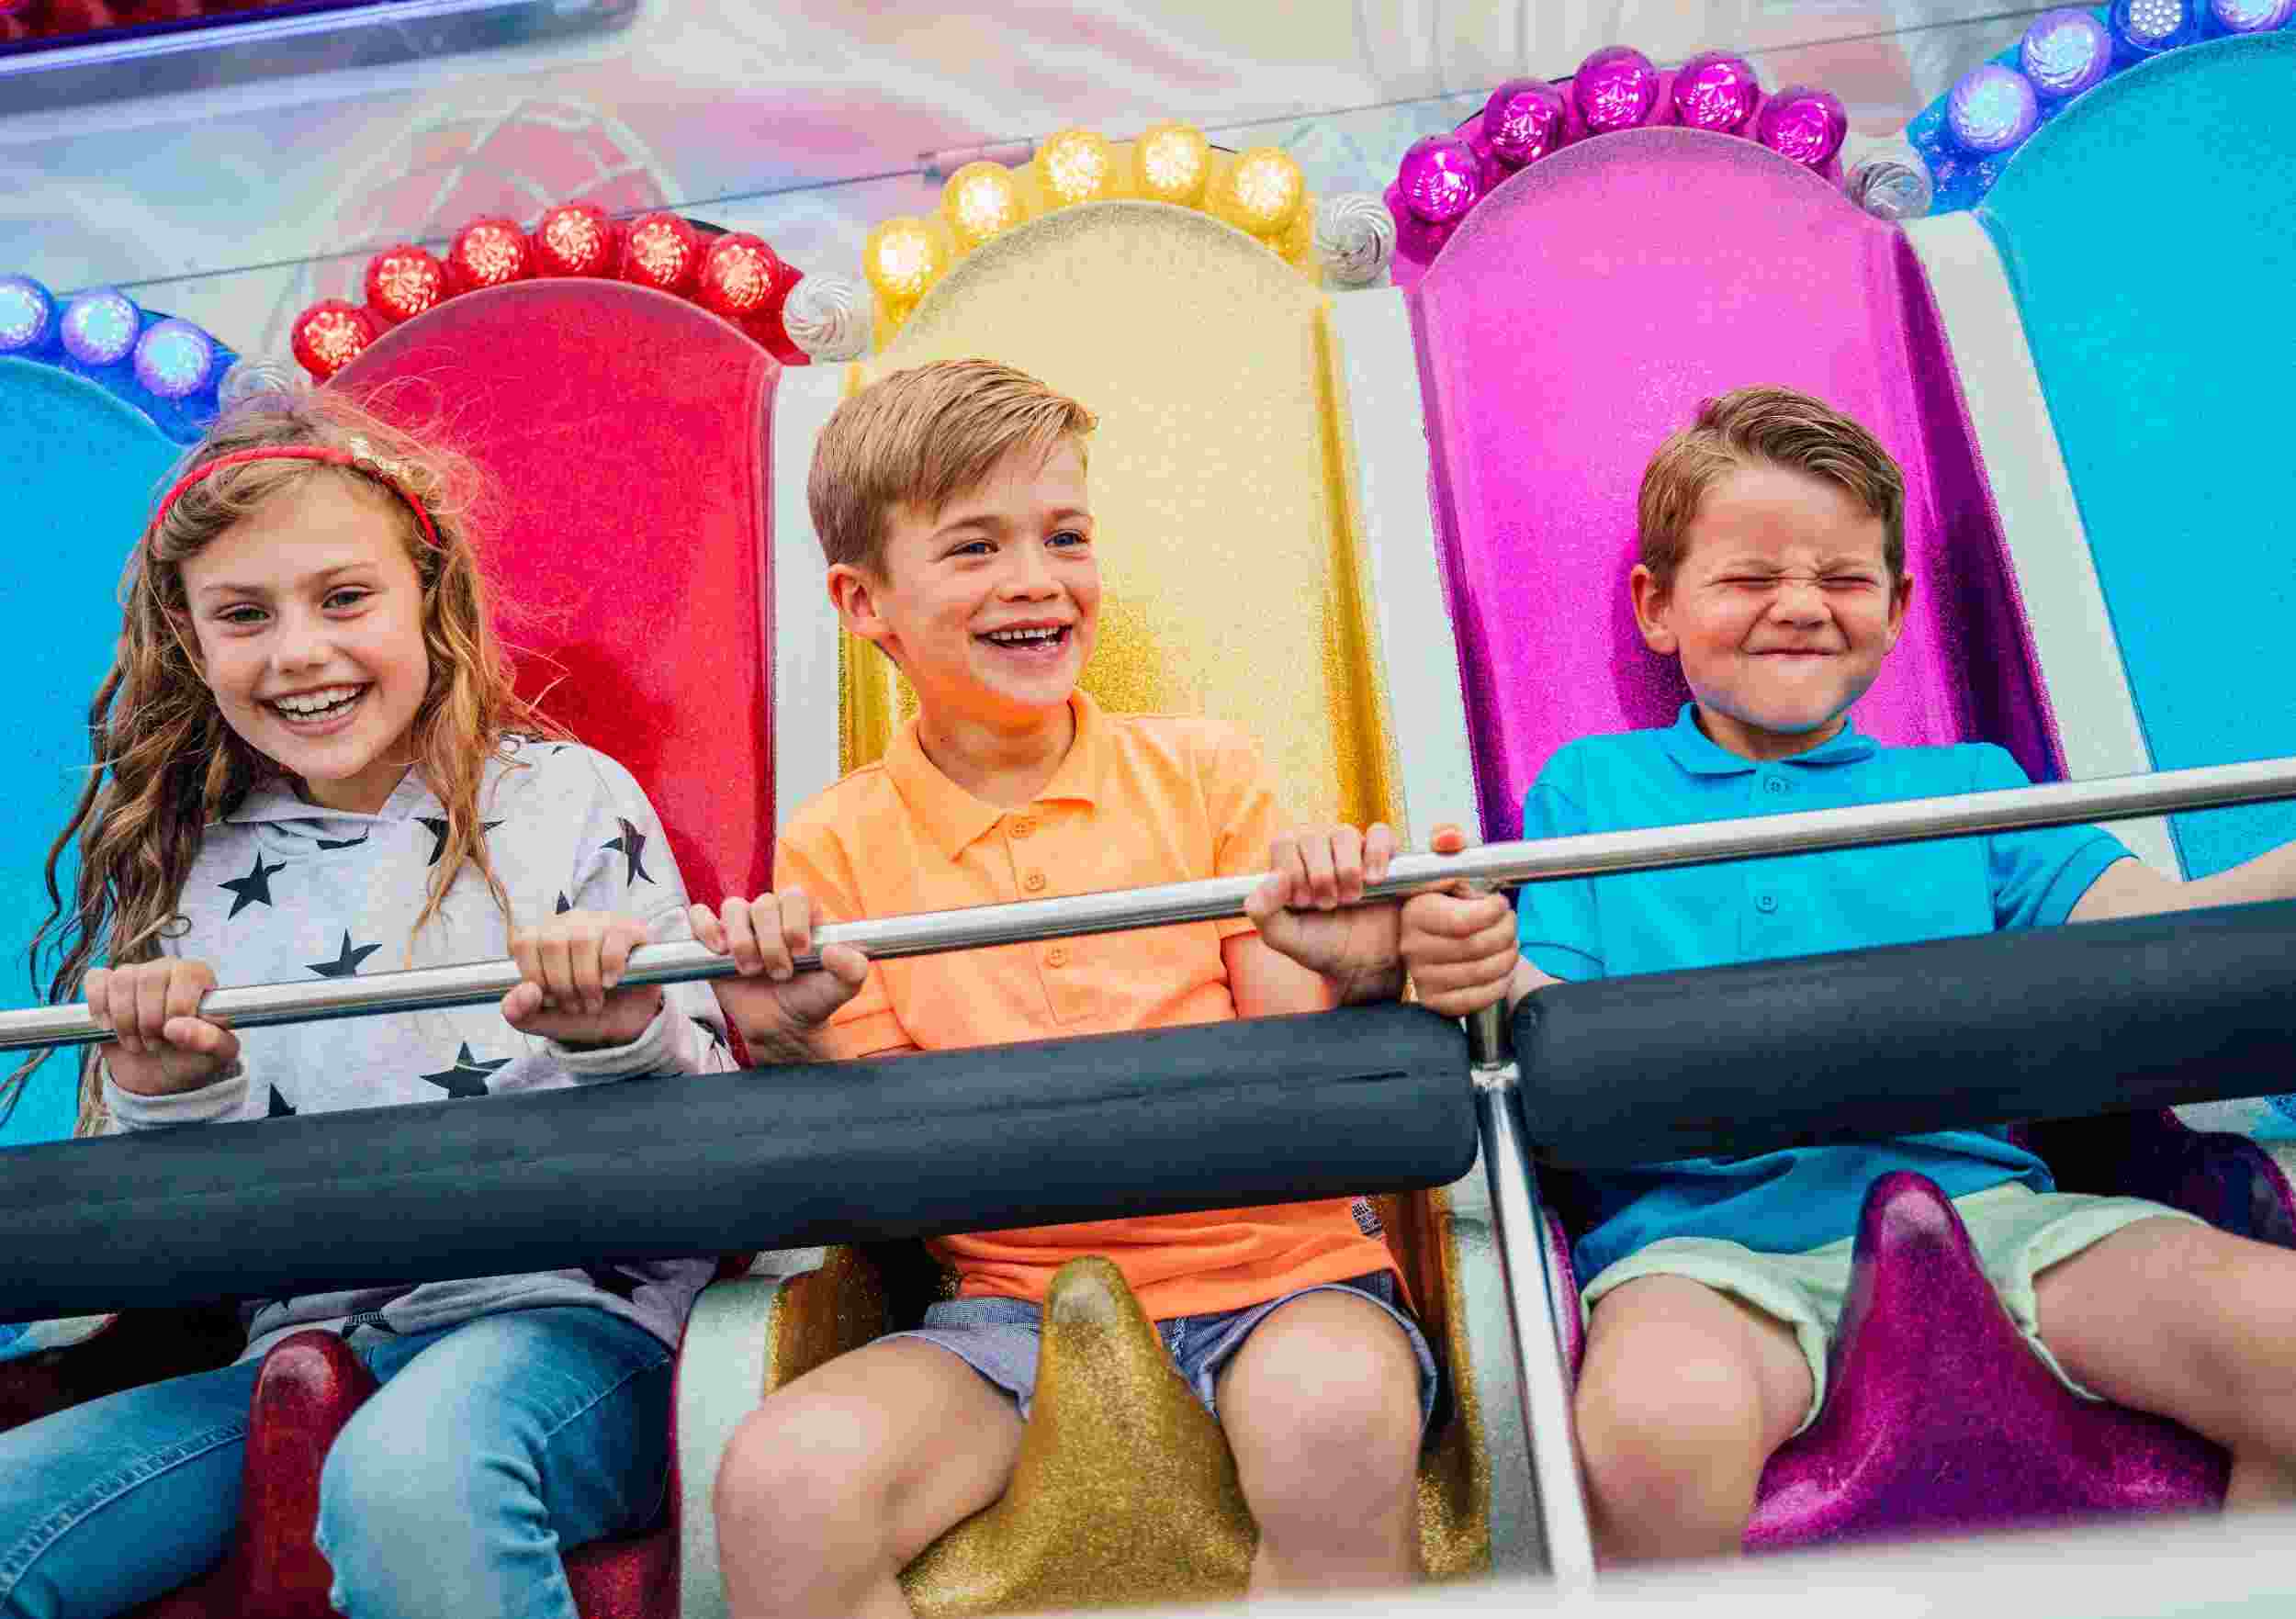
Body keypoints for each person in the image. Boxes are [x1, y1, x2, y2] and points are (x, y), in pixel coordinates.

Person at [1396, 385, 2296, 1564]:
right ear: (1656, 607)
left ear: (1899, 607)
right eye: (1749, 577)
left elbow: (2162, 938)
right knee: (1657, 1427)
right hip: (1705, 1250)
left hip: (2002, 1215)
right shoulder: (1593, 791)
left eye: (1843, 577)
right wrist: (1468, 958)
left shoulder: (1974, 788)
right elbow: (1549, 1014)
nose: (1801, 607)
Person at [701, 359, 1437, 1618]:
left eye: (1065, 536)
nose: (1036, 578)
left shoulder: (1209, 773)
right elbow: (886, 1141)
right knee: (781, 1480)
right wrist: (791, 1042)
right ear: (864, 601)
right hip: (1007, 1308)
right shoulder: (837, 844)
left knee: (1337, 1417)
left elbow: (1290, 1049)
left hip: (1281, 1276)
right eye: (975, 547)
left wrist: (1348, 952)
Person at [0, 393, 732, 1619]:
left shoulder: (566, 801)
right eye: (246, 615)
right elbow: (132, 1251)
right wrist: (163, 1096)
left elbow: (723, 1130)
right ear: (189, 639)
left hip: (568, 1329)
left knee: (410, 1478)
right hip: (292, 1348)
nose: (298, 653)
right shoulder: (192, 866)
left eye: (344, 598)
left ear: (426, 594)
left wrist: (619, 1036)